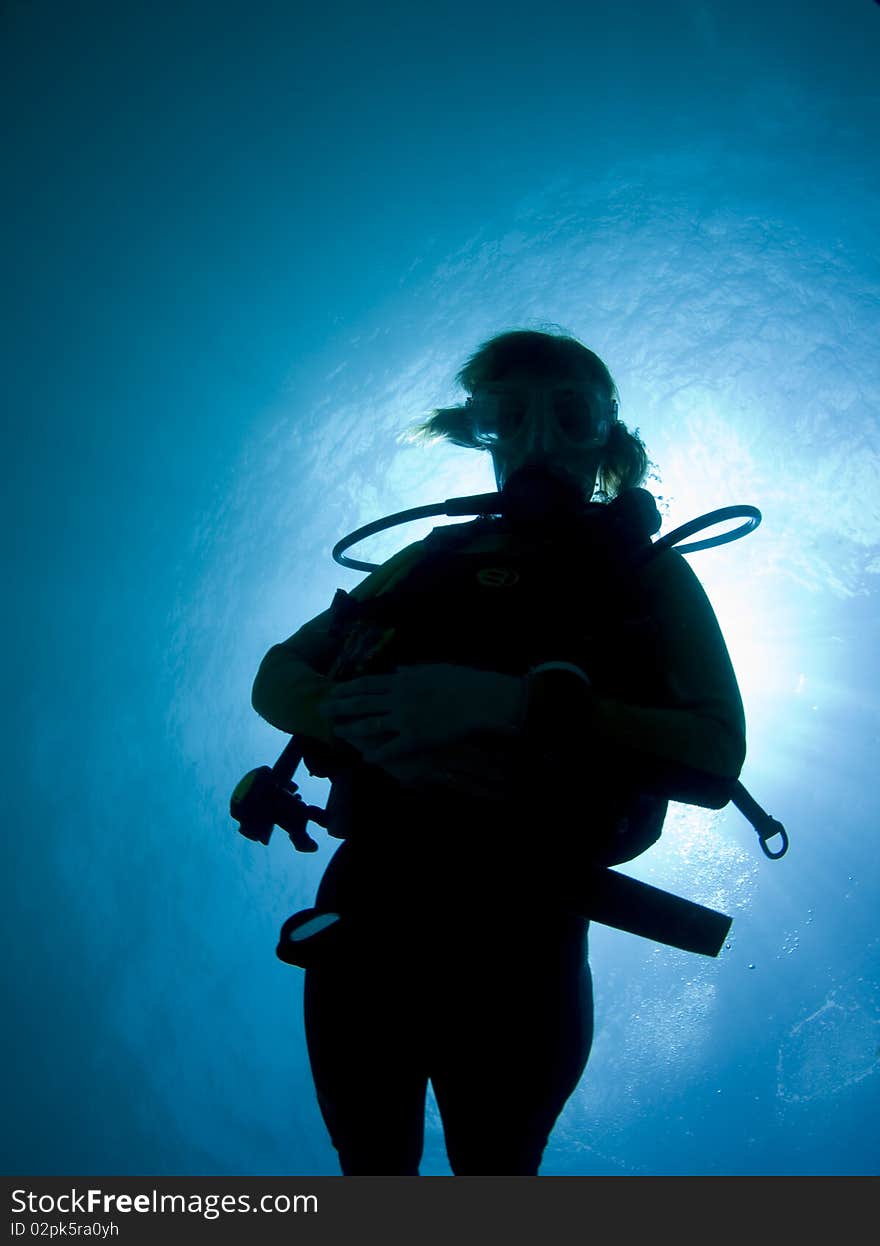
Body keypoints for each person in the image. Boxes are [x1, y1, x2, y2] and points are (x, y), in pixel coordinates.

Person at [251, 329, 746, 1175]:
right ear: (479, 434)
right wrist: (347, 714)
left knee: (497, 1172)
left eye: (570, 413)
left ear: (607, 440)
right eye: (506, 416)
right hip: (371, 909)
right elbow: (278, 674)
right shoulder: (428, 557)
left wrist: (512, 706)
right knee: (371, 1171)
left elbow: (715, 755)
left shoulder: (650, 576)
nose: (538, 438)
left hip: (529, 926)